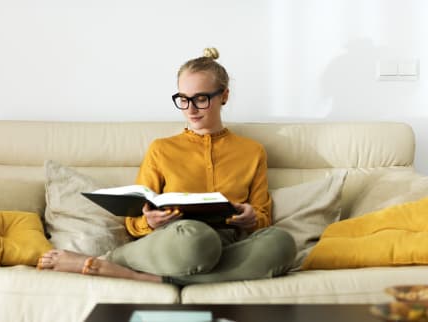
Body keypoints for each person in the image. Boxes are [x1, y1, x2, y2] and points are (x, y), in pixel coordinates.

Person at [37, 48, 297, 285]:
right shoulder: (162, 149)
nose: (191, 109)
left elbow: (263, 219)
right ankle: (126, 262)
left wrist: (251, 218)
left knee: (281, 244)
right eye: (183, 99)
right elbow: (134, 219)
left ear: (224, 96)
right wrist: (149, 221)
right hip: (178, 241)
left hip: (230, 246)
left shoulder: (252, 151)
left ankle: (132, 275)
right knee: (198, 238)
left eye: (201, 99)